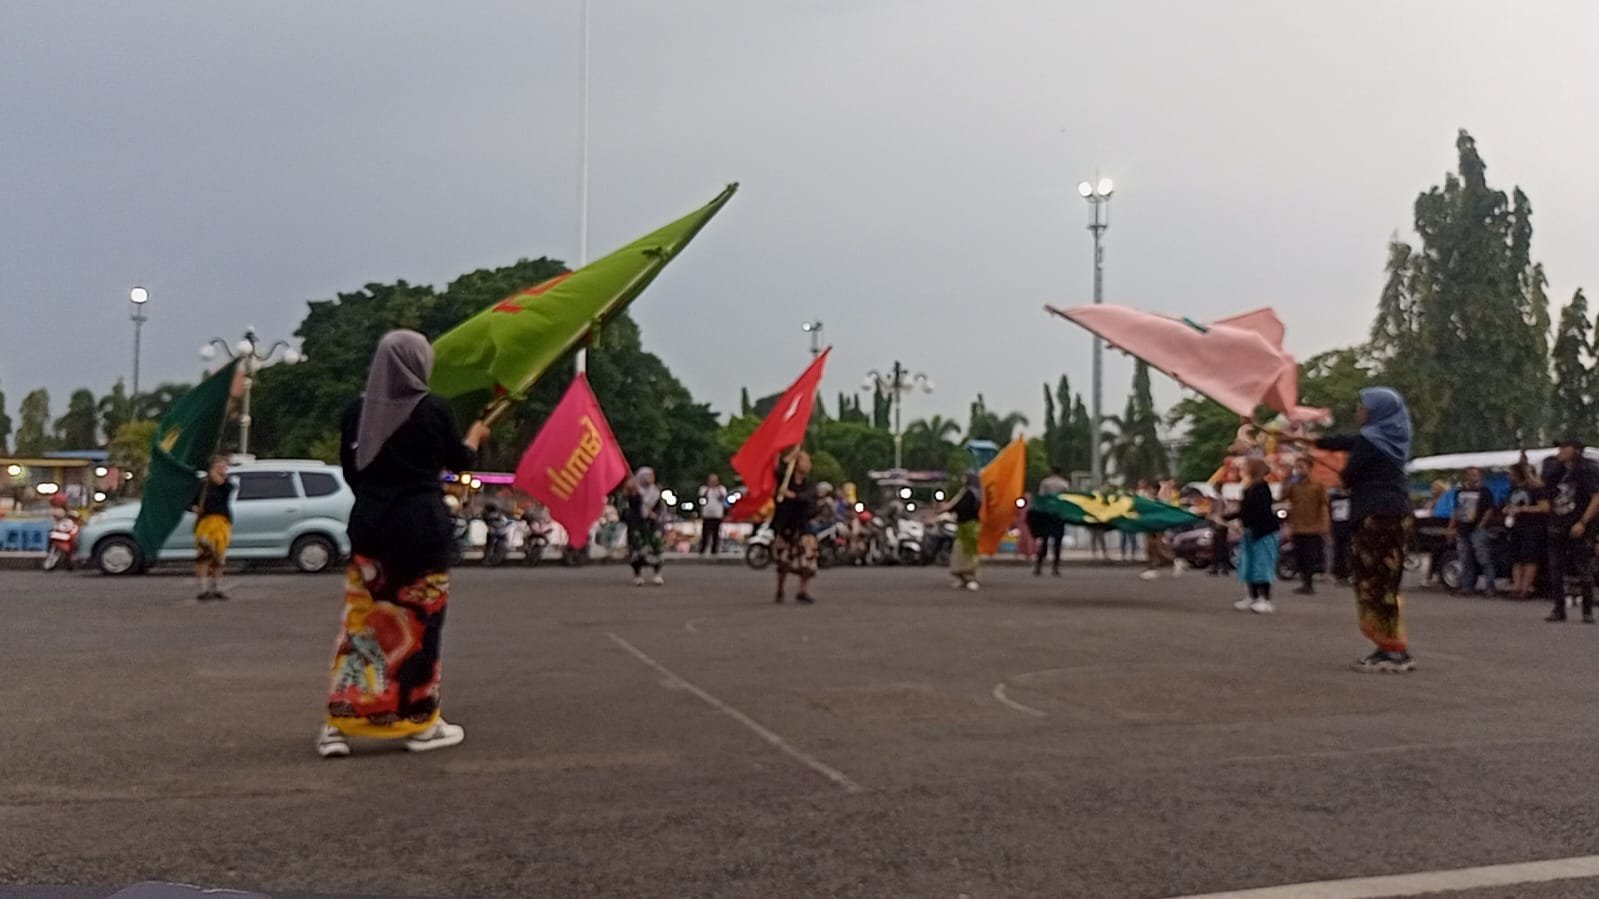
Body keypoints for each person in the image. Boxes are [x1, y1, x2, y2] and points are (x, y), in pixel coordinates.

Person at [320, 329, 489, 758]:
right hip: (421, 532)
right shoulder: (432, 409)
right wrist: (474, 437)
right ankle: (419, 721)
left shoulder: (353, 413)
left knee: (361, 625)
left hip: (371, 529)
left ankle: (339, 724)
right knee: (421, 628)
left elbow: (353, 473)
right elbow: (458, 462)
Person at [1310, 387, 1415, 673]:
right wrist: (1307, 440)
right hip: (1393, 512)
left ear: (1376, 411)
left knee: (1375, 581)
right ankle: (1389, 646)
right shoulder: (1389, 439)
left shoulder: (1371, 442)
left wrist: (1342, 476)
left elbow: (1351, 472)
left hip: (1376, 516)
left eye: (1362, 406)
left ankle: (1394, 650)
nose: (1358, 410)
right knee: (1384, 581)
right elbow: (1343, 442)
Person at [1545, 438, 1599, 623]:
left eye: (1564, 447)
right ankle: (1559, 608)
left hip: (1579, 524)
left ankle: (1587, 611)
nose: (1559, 450)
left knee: (1583, 567)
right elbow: (1543, 490)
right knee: (1555, 567)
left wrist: (1583, 522)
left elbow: (1596, 498)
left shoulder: (1587, 469)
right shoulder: (1555, 470)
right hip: (1557, 523)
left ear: (1575, 450)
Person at [1231, 458, 1280, 613]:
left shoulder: (1262, 488)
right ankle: (1252, 596)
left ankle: (1265, 598)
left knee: (1263, 564)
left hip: (1263, 532)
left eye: (1245, 467)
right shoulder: (1249, 488)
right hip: (1251, 532)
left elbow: (1257, 511)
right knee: (1248, 565)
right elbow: (1244, 512)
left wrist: (1240, 519)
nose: (1242, 469)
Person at [772, 450, 818, 604]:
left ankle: (802, 590)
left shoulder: (809, 484)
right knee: (783, 560)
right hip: (785, 523)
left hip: (803, 524)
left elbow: (809, 499)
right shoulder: (785, 479)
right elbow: (778, 470)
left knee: (808, 557)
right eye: (805, 460)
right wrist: (791, 456)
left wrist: (792, 496)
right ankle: (780, 588)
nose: (808, 464)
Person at [1447, 466, 1500, 596]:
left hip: (1477, 529)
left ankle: (1490, 585)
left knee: (1483, 557)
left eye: (1475, 475)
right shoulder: (1460, 492)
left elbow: (1489, 509)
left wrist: (1482, 524)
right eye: (1470, 475)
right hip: (1462, 528)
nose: (1473, 477)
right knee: (1465, 558)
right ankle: (1467, 586)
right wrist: (1451, 527)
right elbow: (1456, 510)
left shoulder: (1485, 491)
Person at [1284, 458, 1330, 596]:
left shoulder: (1318, 485)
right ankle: (1304, 582)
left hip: (1312, 526)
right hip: (1297, 525)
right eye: (1297, 467)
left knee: (1309, 556)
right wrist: (1288, 478)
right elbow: (1283, 496)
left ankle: (1309, 584)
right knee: (1299, 556)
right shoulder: (1294, 485)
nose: (1298, 469)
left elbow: (1323, 505)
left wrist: (1324, 523)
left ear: (1309, 468)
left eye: (1301, 466)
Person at [192, 456, 235, 601]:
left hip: (221, 523)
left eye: (224, 467)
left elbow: (223, 487)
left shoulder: (228, 484)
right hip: (206, 523)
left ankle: (218, 588)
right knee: (204, 556)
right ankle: (203, 590)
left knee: (219, 558)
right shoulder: (202, 485)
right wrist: (194, 507)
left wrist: (217, 475)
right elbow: (189, 501)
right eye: (219, 466)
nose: (222, 469)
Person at [1504, 461, 1548, 601]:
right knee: (1516, 558)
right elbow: (1509, 503)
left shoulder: (1536, 489)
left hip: (1532, 527)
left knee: (1529, 558)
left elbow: (1544, 508)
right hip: (1516, 526)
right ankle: (1516, 587)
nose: (1509, 476)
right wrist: (1508, 509)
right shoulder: (1513, 489)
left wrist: (1523, 509)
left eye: (1511, 473)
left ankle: (1525, 587)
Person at [622, 467, 667, 586]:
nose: (651, 478)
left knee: (656, 547)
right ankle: (638, 575)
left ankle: (657, 573)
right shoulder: (634, 491)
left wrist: (655, 514)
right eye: (648, 476)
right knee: (637, 548)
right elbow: (630, 507)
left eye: (652, 476)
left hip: (652, 525)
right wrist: (633, 494)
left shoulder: (656, 493)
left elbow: (660, 508)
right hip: (637, 524)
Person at [944, 471, 983, 591]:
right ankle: (962, 578)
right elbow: (956, 506)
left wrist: (949, 509)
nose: (962, 479)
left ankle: (972, 578)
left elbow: (962, 506)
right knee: (959, 552)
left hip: (971, 526)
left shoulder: (974, 494)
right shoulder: (965, 492)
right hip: (962, 526)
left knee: (970, 552)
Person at [1030, 466, 1069, 576]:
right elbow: (1066, 499)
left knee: (1044, 541)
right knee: (1057, 543)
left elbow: (1041, 497)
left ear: (1051, 472)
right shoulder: (1064, 484)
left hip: (1046, 515)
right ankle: (1055, 568)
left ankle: (1038, 567)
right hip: (1059, 515)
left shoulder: (1045, 482)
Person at [698, 472, 728, 557]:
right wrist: (709, 488)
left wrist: (717, 489)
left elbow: (723, 498)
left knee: (716, 534)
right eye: (711, 480)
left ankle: (714, 550)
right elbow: (702, 497)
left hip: (717, 514)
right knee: (705, 533)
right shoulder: (704, 489)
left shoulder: (721, 489)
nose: (713, 482)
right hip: (707, 514)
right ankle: (703, 549)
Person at [1207, 495, 1234, 576]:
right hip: (1221, 527)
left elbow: (1216, 515)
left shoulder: (1218, 501)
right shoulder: (1223, 501)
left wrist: (1211, 518)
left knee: (1218, 548)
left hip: (1219, 527)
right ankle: (1223, 567)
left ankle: (1217, 567)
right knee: (1222, 547)